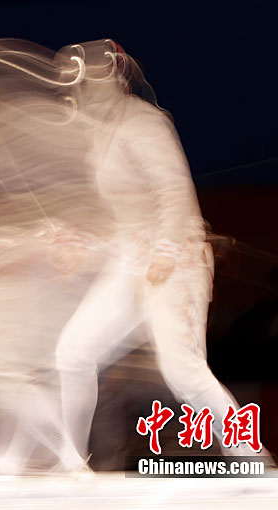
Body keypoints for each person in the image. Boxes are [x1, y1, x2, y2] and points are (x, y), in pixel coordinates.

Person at [52, 40, 268, 466]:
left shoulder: (143, 122)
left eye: (85, 81)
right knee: (73, 352)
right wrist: (82, 243)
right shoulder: (98, 138)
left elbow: (171, 188)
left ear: (108, 79)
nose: (80, 91)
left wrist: (166, 250)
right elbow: (120, 215)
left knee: (184, 371)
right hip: (130, 263)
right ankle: (71, 463)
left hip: (177, 260)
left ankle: (251, 458)